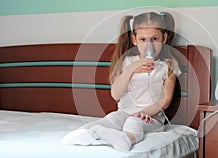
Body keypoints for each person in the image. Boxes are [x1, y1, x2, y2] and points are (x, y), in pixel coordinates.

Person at [61, 11, 181, 151]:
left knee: (133, 122)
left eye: (154, 39)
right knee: (109, 120)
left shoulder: (168, 64)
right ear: (134, 40)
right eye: (143, 40)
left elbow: (165, 100)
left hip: (152, 118)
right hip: (124, 112)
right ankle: (89, 132)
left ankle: (126, 139)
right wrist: (130, 70)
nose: (149, 45)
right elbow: (116, 94)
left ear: (164, 38)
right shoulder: (126, 62)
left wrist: (144, 112)